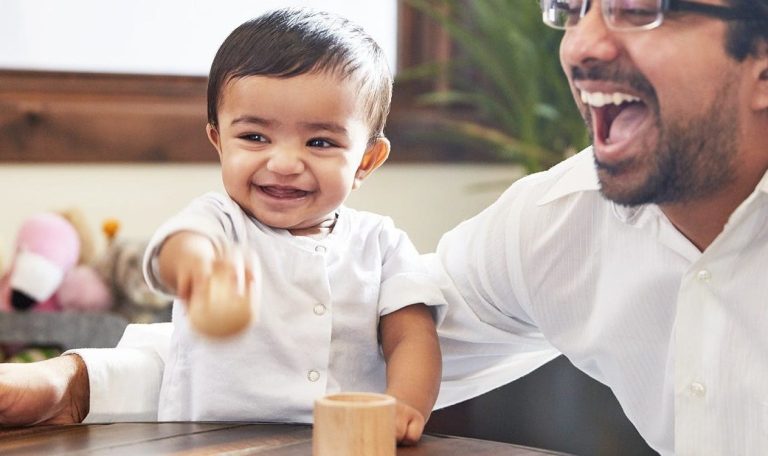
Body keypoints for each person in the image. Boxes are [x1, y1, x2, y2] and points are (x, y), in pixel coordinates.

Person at [0, 8, 444, 445]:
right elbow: (179, 248)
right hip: (209, 441)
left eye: (321, 142)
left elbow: (412, 335)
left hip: (343, 442)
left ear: (367, 159)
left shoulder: (382, 243)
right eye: (254, 137)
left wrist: (404, 403)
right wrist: (202, 271)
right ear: (218, 140)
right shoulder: (219, 220)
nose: (285, 162)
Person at [431, 0, 768, 454]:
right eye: (571, 11)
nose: (579, 46)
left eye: (636, 9)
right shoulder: (561, 215)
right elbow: (367, 344)